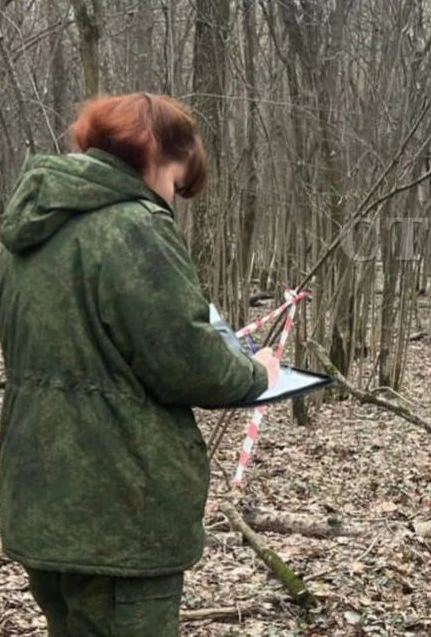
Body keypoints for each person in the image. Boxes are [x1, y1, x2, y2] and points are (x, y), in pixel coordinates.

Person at [0, 93, 281, 636]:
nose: (173, 199)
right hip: (119, 515)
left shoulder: (24, 235)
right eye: (177, 182)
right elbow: (188, 364)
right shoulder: (134, 229)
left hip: (39, 506)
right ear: (153, 152)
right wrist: (257, 372)